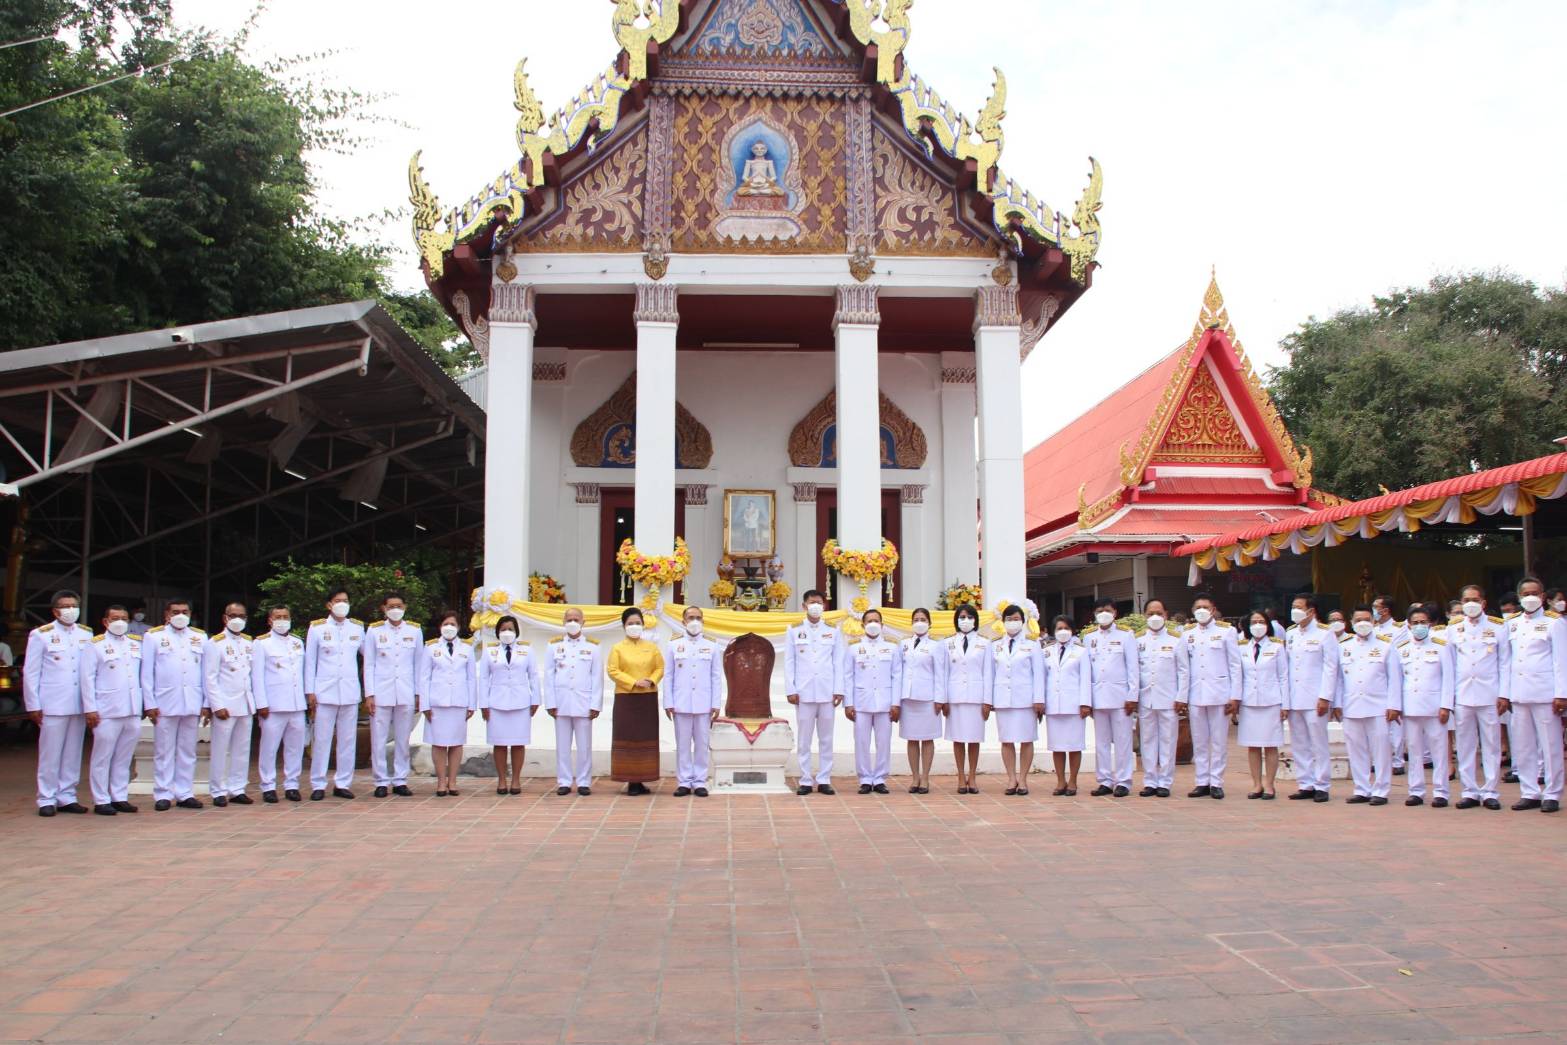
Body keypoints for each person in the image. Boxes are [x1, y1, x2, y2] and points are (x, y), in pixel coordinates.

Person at [23, 590, 93, 816]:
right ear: (55, 611)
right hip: (52, 703)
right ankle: (46, 798)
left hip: (78, 703)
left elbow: (90, 671)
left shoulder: (86, 634)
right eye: (65, 606)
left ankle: (67, 796)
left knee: (73, 752)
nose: (70, 610)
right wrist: (33, 704)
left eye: (74, 605)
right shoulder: (41, 635)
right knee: (50, 753)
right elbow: (31, 672)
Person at [1501, 576, 1567, 813]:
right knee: (1523, 746)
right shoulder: (1512, 623)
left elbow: (1561, 661)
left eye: (1535, 593)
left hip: (1545, 693)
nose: (1530, 597)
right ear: (1519, 597)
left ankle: (1552, 793)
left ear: (1542, 596)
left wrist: (1561, 694)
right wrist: (1505, 693)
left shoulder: (1554, 622)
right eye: (1525, 593)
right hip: (1519, 694)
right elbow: (1506, 661)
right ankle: (1529, 791)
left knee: (1550, 746)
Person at [141, 597, 206, 811]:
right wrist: (149, 703)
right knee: (164, 751)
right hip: (165, 702)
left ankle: (185, 792)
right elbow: (147, 673)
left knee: (188, 750)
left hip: (192, 702)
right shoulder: (154, 637)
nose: (180, 615)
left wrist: (206, 703)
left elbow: (205, 673)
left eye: (184, 611)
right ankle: (163, 793)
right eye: (175, 611)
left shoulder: (199, 637)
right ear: (167, 615)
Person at [79, 604, 141, 815]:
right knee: (102, 757)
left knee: (124, 757)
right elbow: (86, 679)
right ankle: (101, 799)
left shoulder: (135, 644)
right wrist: (90, 708)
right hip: (106, 709)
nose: (120, 622)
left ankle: (119, 796)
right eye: (115, 618)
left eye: (124, 618)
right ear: (105, 622)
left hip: (131, 708)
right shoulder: (95, 645)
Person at [1338, 605, 1402, 805]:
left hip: (1378, 706)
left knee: (1381, 750)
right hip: (1351, 705)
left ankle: (1381, 790)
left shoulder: (1385, 645)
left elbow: (1394, 679)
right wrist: (1337, 704)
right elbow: (1339, 679)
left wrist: (1394, 705)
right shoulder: (1344, 646)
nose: (1362, 623)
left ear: (1373, 622)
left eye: (1367, 619)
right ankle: (1361, 788)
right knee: (1356, 749)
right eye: (1358, 620)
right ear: (1351, 622)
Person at [304, 587, 364, 801]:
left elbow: (370, 656)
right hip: (324, 692)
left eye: (345, 600)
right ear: (329, 605)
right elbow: (310, 661)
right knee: (321, 739)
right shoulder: (318, 628)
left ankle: (343, 783)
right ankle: (318, 783)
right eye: (338, 600)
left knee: (348, 740)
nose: (342, 603)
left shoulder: (357, 627)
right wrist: (309, 691)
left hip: (349, 691)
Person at [784, 590, 843, 796]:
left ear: (824, 606)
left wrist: (839, 690)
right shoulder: (794, 631)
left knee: (826, 738)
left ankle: (824, 778)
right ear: (804, 606)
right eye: (812, 603)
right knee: (804, 739)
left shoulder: (833, 632)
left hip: (827, 693)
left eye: (819, 602)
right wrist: (791, 689)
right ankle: (806, 779)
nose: (816, 606)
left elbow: (838, 662)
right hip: (804, 692)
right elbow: (789, 663)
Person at [1181, 595, 1240, 799]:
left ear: (1213, 609)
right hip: (1196, 693)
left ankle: (1216, 781)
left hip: (1219, 694)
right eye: (1198, 607)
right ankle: (1201, 781)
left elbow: (1235, 665)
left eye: (1205, 606)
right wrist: (1183, 695)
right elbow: (1184, 667)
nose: (1202, 610)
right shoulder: (1187, 633)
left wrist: (1235, 696)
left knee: (1218, 740)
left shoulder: (1227, 631)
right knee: (1199, 741)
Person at [363, 592, 421, 798]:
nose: (395, 609)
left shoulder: (414, 630)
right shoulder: (374, 631)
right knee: (378, 738)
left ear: (404, 607)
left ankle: (400, 779)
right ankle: (380, 780)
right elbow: (368, 664)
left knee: (403, 738)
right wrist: (369, 694)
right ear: (384, 609)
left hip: (405, 691)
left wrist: (417, 693)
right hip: (381, 692)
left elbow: (418, 664)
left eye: (399, 605)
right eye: (391, 606)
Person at [1394, 604, 1453, 807]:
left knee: (1439, 751)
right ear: (1408, 625)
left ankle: (1441, 792)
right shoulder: (1401, 649)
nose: (1419, 626)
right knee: (1414, 750)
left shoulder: (1441, 646)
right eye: (1415, 623)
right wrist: (1397, 706)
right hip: (1410, 707)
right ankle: (1416, 791)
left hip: (1435, 707)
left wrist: (1446, 705)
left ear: (1431, 624)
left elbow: (1448, 678)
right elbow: (1397, 680)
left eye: (1423, 622)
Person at [662, 606, 722, 797]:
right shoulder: (673, 645)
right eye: (690, 617)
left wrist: (716, 703)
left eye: (698, 617)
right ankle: (684, 782)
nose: (694, 621)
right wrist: (668, 702)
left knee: (702, 744)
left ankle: (700, 781)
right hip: (681, 703)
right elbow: (668, 675)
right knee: (683, 744)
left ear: (703, 620)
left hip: (704, 703)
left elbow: (716, 677)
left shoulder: (712, 645)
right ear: (683, 621)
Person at [478, 614, 541, 796]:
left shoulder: (527, 650)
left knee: (518, 743)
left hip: (521, 702)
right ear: (497, 632)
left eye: (510, 629)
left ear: (517, 632)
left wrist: (535, 699)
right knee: (499, 743)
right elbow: (483, 679)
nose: (507, 632)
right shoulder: (489, 651)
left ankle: (516, 780)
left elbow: (533, 676)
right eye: (503, 629)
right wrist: (484, 704)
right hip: (496, 703)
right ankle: (501, 780)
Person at [1285, 594, 1340, 803]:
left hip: (1315, 697)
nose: (1295, 610)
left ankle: (1322, 784)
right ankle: (1305, 783)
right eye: (1293, 606)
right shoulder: (1291, 634)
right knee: (1299, 742)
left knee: (1318, 742)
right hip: (1295, 696)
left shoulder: (1325, 634)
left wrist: (1325, 696)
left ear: (1311, 611)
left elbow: (1330, 667)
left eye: (1299, 607)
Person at [842, 608, 901, 795]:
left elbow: (897, 676)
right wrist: (848, 703)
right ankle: (865, 778)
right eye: (869, 621)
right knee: (861, 741)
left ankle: (880, 778)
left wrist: (896, 703)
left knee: (883, 742)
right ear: (863, 625)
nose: (873, 624)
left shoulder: (892, 647)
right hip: (861, 702)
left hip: (885, 702)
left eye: (876, 621)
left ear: (882, 625)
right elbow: (848, 677)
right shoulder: (853, 647)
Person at [252, 604, 308, 803]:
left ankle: (292, 784)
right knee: (269, 747)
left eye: (285, 616)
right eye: (278, 617)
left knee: (295, 747)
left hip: (296, 704)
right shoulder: (262, 643)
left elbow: (301, 674)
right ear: (270, 620)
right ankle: (268, 785)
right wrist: (261, 704)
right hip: (273, 705)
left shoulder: (297, 643)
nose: (282, 620)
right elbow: (257, 676)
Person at [202, 601, 255, 807]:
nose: (238, 619)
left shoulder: (248, 643)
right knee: (220, 749)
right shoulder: (215, 643)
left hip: (245, 702)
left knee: (242, 749)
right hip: (225, 704)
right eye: (233, 615)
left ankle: (237, 788)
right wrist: (216, 705)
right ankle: (218, 790)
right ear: (225, 618)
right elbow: (210, 677)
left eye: (241, 616)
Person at [607, 607, 664, 795]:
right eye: (630, 624)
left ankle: (643, 778)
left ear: (643, 625)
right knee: (628, 737)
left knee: (645, 738)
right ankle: (630, 781)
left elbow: (660, 668)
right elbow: (613, 671)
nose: (634, 627)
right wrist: (633, 682)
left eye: (637, 623)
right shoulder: (617, 648)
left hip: (647, 697)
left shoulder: (652, 647)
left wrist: (651, 680)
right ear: (624, 626)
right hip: (626, 698)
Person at [545, 607, 602, 796]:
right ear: (563, 622)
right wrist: (550, 703)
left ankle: (584, 781)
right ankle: (564, 781)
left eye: (576, 619)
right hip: (561, 703)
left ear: (583, 622)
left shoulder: (593, 647)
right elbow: (549, 676)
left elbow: (597, 677)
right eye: (569, 619)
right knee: (562, 745)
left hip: (583, 702)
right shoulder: (554, 646)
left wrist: (595, 704)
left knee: (584, 745)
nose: (572, 622)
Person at [1084, 598, 1138, 798]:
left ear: (1115, 612)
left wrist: (1132, 695)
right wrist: (1087, 700)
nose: (1103, 613)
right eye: (1100, 610)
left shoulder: (1126, 635)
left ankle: (1123, 781)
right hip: (1098, 697)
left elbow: (1133, 668)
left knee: (1123, 741)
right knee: (1101, 742)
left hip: (1121, 697)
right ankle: (1105, 780)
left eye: (1107, 610)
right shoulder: (1089, 638)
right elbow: (1088, 671)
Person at [422, 610, 476, 796]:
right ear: (440, 627)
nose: (449, 628)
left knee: (455, 743)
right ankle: (440, 782)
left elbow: (471, 679)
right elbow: (424, 678)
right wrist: (425, 705)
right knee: (438, 744)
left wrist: (472, 704)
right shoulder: (430, 648)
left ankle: (452, 781)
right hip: (437, 702)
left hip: (458, 702)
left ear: (459, 627)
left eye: (453, 624)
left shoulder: (467, 649)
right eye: (445, 624)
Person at [1136, 600, 1186, 798]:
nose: (1154, 617)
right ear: (1145, 616)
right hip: (1145, 697)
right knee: (1147, 740)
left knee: (1167, 740)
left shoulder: (1176, 640)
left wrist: (1181, 696)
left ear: (1165, 614)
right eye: (1150, 613)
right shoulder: (1138, 640)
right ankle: (1150, 781)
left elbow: (1183, 671)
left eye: (1158, 613)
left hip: (1169, 698)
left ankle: (1165, 781)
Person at [1238, 611, 1287, 800]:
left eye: (1261, 622)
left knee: (1271, 745)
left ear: (1268, 625)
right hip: (1249, 701)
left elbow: (1283, 676)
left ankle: (1269, 784)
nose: (1257, 625)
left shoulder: (1276, 646)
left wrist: (1285, 704)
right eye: (1254, 622)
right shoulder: (1242, 647)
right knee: (1253, 745)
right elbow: (1238, 675)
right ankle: (1256, 783)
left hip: (1271, 701)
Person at [943, 604, 990, 794]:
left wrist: (987, 701)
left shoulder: (985, 643)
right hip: (955, 697)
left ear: (975, 620)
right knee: (958, 738)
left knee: (973, 739)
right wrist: (943, 699)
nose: (966, 620)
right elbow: (944, 673)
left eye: (970, 617)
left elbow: (988, 673)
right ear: (956, 619)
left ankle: (972, 776)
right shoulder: (947, 643)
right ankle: (961, 776)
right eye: (962, 617)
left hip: (976, 697)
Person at [1044, 614, 1091, 796]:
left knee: (1074, 745)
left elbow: (1085, 678)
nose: (1062, 632)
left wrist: (1085, 703)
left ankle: (1073, 780)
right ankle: (1060, 781)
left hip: (1074, 705)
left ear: (1072, 630)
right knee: (1057, 746)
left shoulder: (1081, 651)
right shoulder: (1046, 651)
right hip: (1054, 705)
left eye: (1066, 628)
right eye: (1059, 629)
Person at [899, 608, 942, 794]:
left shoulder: (936, 646)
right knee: (912, 738)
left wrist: (940, 698)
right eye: (916, 619)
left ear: (929, 623)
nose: (919, 622)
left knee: (927, 738)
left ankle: (925, 777)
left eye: (923, 619)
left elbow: (941, 674)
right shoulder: (903, 644)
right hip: (908, 698)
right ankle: (915, 776)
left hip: (928, 697)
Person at [1370, 595, 1409, 776]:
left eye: (1375, 607)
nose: (1373, 610)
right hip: (1376, 679)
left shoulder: (1399, 628)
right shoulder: (1372, 628)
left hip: (1393, 676)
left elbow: (1396, 651)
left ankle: (1397, 760)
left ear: (1385, 610)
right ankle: (1379, 759)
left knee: (1394, 721)